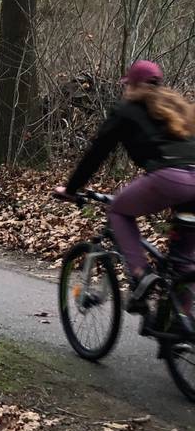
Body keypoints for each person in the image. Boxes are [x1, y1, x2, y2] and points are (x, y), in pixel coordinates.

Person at [55, 60, 195, 311]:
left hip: (170, 177)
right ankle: (179, 331)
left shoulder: (126, 110)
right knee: (182, 262)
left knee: (119, 210)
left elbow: (97, 153)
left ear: (131, 85)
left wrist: (71, 188)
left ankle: (142, 275)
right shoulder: (176, 106)